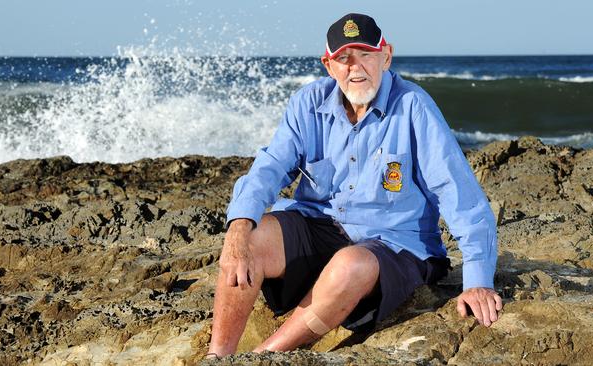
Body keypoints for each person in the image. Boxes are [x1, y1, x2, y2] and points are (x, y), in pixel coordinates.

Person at [207, 13, 501, 357]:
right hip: (321, 230)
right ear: (329, 65)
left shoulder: (413, 106)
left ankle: (263, 358)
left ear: (386, 56)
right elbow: (269, 168)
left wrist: (478, 281)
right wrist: (239, 228)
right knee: (249, 239)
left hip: (394, 245)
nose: (355, 67)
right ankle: (218, 357)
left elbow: (457, 192)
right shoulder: (307, 103)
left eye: (366, 54)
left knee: (350, 264)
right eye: (344, 58)